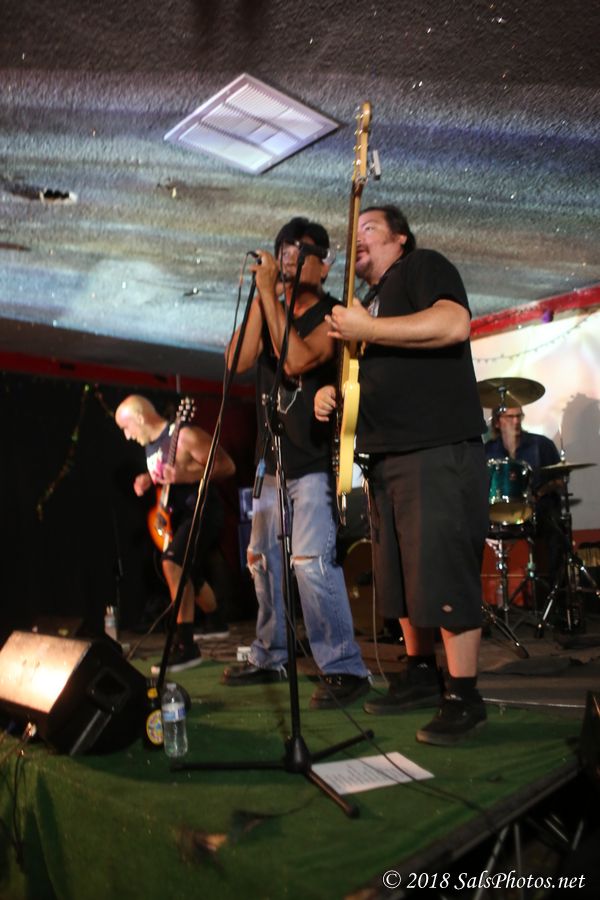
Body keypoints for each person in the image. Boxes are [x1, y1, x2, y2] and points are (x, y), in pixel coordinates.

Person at [314, 204, 489, 745]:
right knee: (401, 576)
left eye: (370, 228)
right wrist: (334, 393)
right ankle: (419, 673)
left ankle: (464, 694)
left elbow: (454, 323)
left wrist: (368, 328)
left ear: (401, 240)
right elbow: (370, 378)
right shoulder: (368, 303)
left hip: (435, 448)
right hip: (385, 458)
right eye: (356, 231)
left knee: (443, 572)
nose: (358, 237)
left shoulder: (423, 267)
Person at [221, 217, 370, 708]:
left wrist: (271, 296)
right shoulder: (271, 307)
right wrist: (264, 297)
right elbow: (236, 363)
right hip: (270, 462)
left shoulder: (334, 315)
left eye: (300, 251)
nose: (288, 257)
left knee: (309, 563)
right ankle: (270, 655)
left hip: (313, 462)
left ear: (324, 265)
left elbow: (298, 360)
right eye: (284, 249)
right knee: (262, 560)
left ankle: (344, 667)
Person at [115, 394, 236, 672]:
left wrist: (186, 476)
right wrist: (149, 479)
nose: (126, 436)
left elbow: (227, 465)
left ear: (140, 418)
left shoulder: (184, 435)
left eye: (126, 427)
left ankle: (186, 646)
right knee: (189, 573)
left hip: (204, 510)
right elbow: (169, 474)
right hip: (181, 515)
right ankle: (216, 621)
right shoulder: (152, 445)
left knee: (172, 563)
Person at [485, 405, 563, 591]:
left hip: (537, 511)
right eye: (509, 417)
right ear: (497, 422)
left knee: (556, 530)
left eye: (518, 416)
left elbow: (559, 480)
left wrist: (538, 494)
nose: (516, 421)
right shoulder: (488, 450)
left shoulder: (541, 444)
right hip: (498, 514)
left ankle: (556, 594)